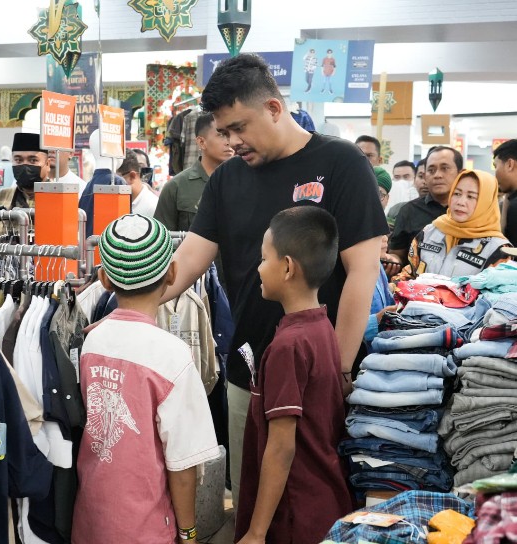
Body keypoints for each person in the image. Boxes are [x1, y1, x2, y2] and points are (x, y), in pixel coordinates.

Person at [163, 53, 387, 509]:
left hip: (319, 374)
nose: (232, 142)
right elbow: (188, 259)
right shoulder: (226, 179)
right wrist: (129, 301)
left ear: (273, 107)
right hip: (250, 373)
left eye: (240, 127)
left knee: (314, 506)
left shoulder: (341, 163)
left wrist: (336, 370)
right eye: (224, 132)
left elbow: (362, 272)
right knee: (252, 505)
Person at [72, 214, 220, 544]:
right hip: (147, 528)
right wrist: (188, 532)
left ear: (104, 280)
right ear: (172, 272)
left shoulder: (91, 341)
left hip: (91, 519)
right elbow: (182, 466)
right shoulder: (172, 356)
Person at [235, 207, 352, 544]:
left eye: (263, 258)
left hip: (294, 514)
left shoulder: (289, 346)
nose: (258, 268)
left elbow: (281, 447)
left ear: (287, 267)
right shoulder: (321, 325)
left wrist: (256, 533)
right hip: (324, 498)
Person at [393, 169, 510, 282]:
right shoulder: (430, 232)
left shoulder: (498, 249)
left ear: (486, 202)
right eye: (457, 193)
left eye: (471, 196)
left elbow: (496, 296)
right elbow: (411, 272)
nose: (460, 202)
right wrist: (394, 287)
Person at [154, 112, 234, 231]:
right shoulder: (176, 187)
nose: (229, 142)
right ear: (201, 142)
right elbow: (163, 240)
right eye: (221, 135)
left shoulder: (246, 181)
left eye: (230, 134)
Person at [389, 146, 463, 265]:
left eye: (445, 168)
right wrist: (391, 261)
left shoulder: (472, 210)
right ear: (425, 176)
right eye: (431, 170)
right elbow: (398, 255)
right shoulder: (409, 211)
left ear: (461, 174)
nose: (437, 175)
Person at [0, 132, 50, 210]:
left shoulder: (59, 198)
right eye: (18, 160)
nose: (25, 165)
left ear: (47, 164)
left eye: (33, 160)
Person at [117, 149, 159, 216]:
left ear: (132, 176)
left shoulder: (152, 207)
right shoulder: (123, 201)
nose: (112, 185)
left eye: (117, 179)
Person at [493, 139, 517, 245]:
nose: (495, 174)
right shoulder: (511, 201)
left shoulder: (515, 206)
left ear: (509, 165)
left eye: (496, 166)